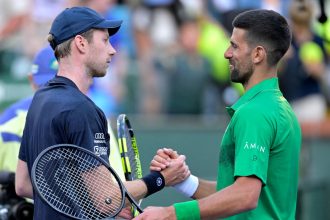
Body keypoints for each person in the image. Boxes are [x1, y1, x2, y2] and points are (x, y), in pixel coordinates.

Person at [15, 6, 189, 220]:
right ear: (81, 43)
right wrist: (160, 179)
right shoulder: (81, 109)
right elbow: (107, 201)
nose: (112, 50)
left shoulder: (39, 100)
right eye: (104, 40)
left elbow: (23, 184)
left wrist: (91, 200)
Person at [134, 9, 302, 220]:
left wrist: (171, 213)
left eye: (234, 46)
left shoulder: (255, 113)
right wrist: (184, 181)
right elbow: (236, 192)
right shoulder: (280, 108)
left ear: (258, 54)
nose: (226, 53)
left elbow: (245, 196)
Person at [0, 45, 57, 172]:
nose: (54, 94)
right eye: (47, 85)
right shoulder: (6, 127)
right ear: (31, 81)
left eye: (63, 85)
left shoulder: (95, 120)